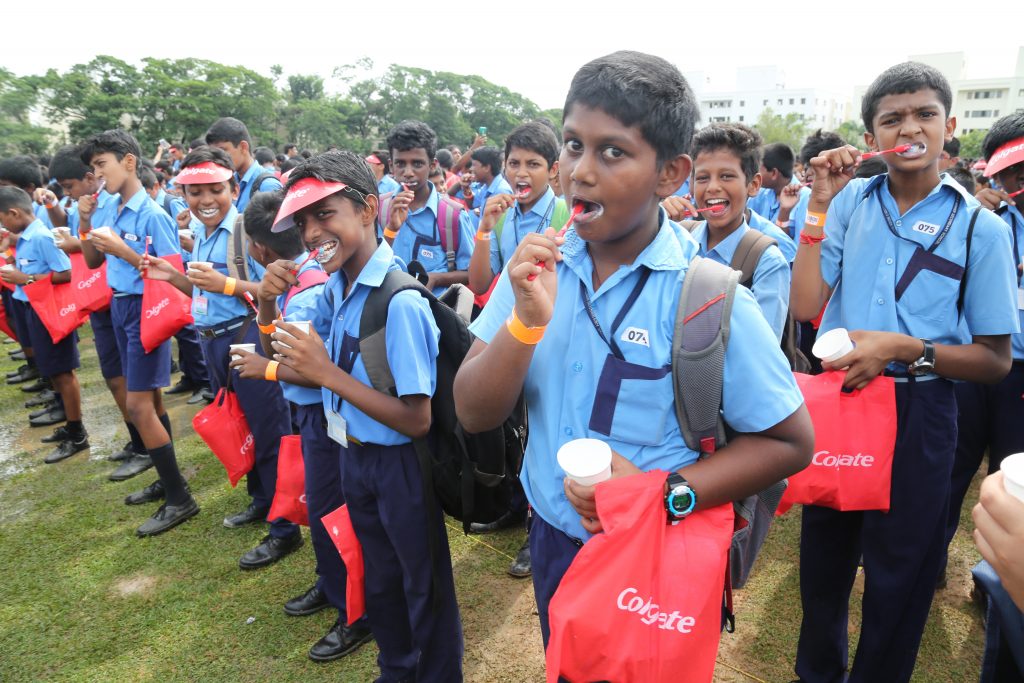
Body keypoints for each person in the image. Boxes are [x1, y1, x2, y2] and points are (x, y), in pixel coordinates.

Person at [453, 50, 813, 648]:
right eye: (572, 145)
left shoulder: (708, 298)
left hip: (656, 549)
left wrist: (662, 495)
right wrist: (524, 324)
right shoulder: (539, 272)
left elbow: (790, 441)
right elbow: (473, 411)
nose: (579, 172)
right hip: (553, 538)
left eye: (612, 151)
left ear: (670, 175)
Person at [788, 62, 1019, 683]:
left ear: (948, 128)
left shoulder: (982, 228)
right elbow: (806, 306)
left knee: (901, 577)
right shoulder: (850, 203)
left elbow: (995, 359)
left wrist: (905, 347)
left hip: (922, 413)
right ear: (874, 134)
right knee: (823, 568)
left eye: (924, 114)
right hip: (843, 402)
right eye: (892, 117)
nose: (909, 127)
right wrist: (815, 205)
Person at [267, 150, 463, 681]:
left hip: (400, 465)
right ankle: (397, 667)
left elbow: (416, 419)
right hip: (354, 454)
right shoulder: (337, 286)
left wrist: (327, 374)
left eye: (324, 214)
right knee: (378, 575)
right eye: (303, 221)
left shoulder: (398, 302)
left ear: (368, 209)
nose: (311, 233)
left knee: (422, 583)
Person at [230, 189, 373, 661]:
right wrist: (267, 306)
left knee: (331, 510)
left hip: (325, 413)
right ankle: (331, 583)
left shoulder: (312, 289)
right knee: (320, 506)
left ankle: (355, 612)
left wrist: (265, 368)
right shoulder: (297, 282)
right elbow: (280, 348)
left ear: (260, 247)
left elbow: (311, 365)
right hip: (311, 412)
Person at [141, 147, 301, 567]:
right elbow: (204, 291)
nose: (205, 200)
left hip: (247, 336)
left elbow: (273, 286)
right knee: (239, 422)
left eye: (215, 190)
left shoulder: (244, 230)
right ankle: (260, 500)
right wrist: (171, 274)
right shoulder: (202, 231)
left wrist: (225, 283)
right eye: (195, 192)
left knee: (270, 432)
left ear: (233, 188)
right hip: (213, 339)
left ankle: (284, 530)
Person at [78, 129, 198, 536]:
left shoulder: (153, 215)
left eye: (101, 165)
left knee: (138, 406)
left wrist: (126, 252)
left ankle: (180, 498)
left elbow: (171, 275)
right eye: (92, 167)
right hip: (119, 306)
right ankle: (167, 480)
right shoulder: (108, 205)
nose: (96, 174)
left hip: (146, 308)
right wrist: (85, 220)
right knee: (151, 400)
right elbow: (93, 261)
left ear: (128, 161)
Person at [942, 112, 1024, 587]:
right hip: (972, 364)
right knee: (953, 469)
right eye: (1013, 172)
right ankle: (929, 560)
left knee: (1012, 479)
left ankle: (998, 581)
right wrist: (973, 217)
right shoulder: (976, 219)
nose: (1019, 183)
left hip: (1021, 374)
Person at [47, 145, 147, 466]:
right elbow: (91, 257)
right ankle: (136, 439)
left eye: (70, 186)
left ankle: (147, 444)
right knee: (113, 375)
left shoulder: (119, 206)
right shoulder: (85, 208)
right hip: (102, 303)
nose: (69, 194)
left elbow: (111, 249)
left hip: (122, 299)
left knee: (136, 381)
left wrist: (80, 238)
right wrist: (81, 224)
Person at [0, 186, 88, 464]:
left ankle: (77, 434)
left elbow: (67, 272)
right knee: (53, 371)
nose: (3, 225)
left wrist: (23, 278)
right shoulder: (25, 235)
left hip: (48, 311)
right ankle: (68, 419)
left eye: (2, 219)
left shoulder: (40, 236)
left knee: (63, 373)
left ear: (14, 213)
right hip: (32, 308)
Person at [687, 123, 791, 341]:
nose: (713, 187)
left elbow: (762, 349)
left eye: (726, 176)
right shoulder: (679, 242)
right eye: (703, 178)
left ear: (753, 185)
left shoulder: (768, 262)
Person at [379, 120, 475, 296]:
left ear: (432, 165)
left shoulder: (452, 214)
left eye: (417, 164)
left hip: (434, 313)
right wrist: (391, 231)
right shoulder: (380, 209)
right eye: (400, 164)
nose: (408, 172)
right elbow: (369, 264)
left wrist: (436, 278)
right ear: (391, 166)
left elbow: (470, 273)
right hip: (384, 312)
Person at [468, 121, 563, 297]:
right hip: (507, 320)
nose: (521, 173)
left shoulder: (567, 215)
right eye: (514, 163)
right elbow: (478, 285)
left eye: (533, 164)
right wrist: (484, 229)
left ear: (553, 170)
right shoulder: (500, 215)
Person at [204, 117, 282, 211]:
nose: (217, 159)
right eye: (214, 153)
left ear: (243, 147)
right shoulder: (228, 182)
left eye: (222, 151)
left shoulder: (268, 186)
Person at [464, 146, 512, 226]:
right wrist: (465, 187)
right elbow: (472, 204)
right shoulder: (486, 187)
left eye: (474, 165)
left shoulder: (502, 191)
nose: (471, 169)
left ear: (486, 167)